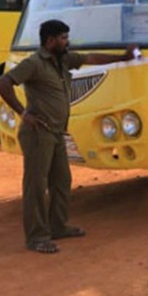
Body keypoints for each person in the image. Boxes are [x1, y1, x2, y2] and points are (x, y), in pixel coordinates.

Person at [0, 20, 137, 254]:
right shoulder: (34, 63)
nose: (67, 41)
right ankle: (36, 236)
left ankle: (58, 226)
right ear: (50, 40)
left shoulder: (63, 59)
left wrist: (123, 58)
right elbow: (4, 82)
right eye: (63, 37)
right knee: (36, 185)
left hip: (56, 132)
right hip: (38, 133)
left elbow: (91, 58)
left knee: (61, 181)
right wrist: (23, 113)